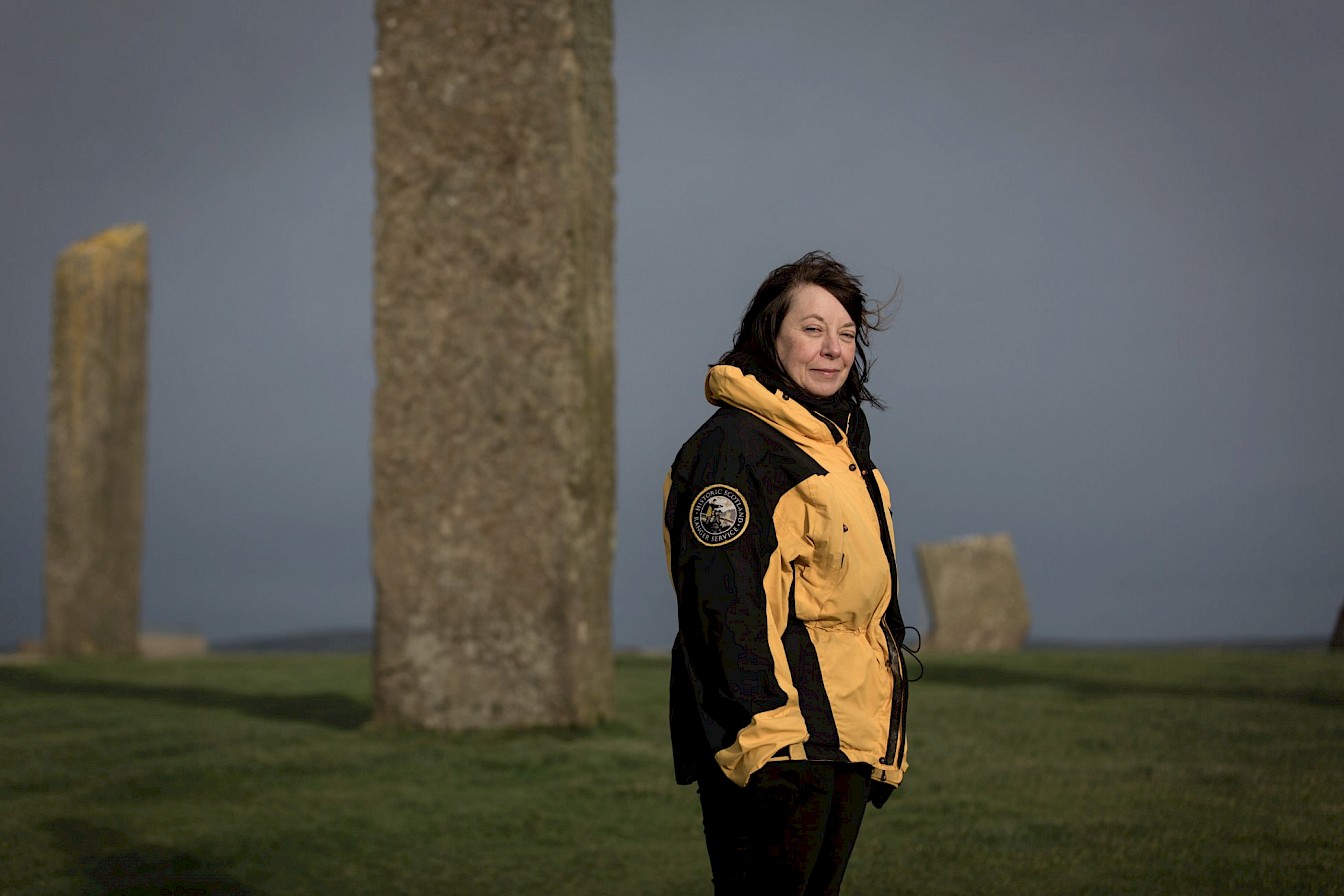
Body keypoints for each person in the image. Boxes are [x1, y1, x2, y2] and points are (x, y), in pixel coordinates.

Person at [663, 251, 912, 895]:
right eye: (812, 329)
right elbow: (723, 604)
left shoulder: (837, 449)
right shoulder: (738, 447)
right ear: (769, 337)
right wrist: (768, 741)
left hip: (843, 740)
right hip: (780, 748)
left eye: (847, 334)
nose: (833, 349)